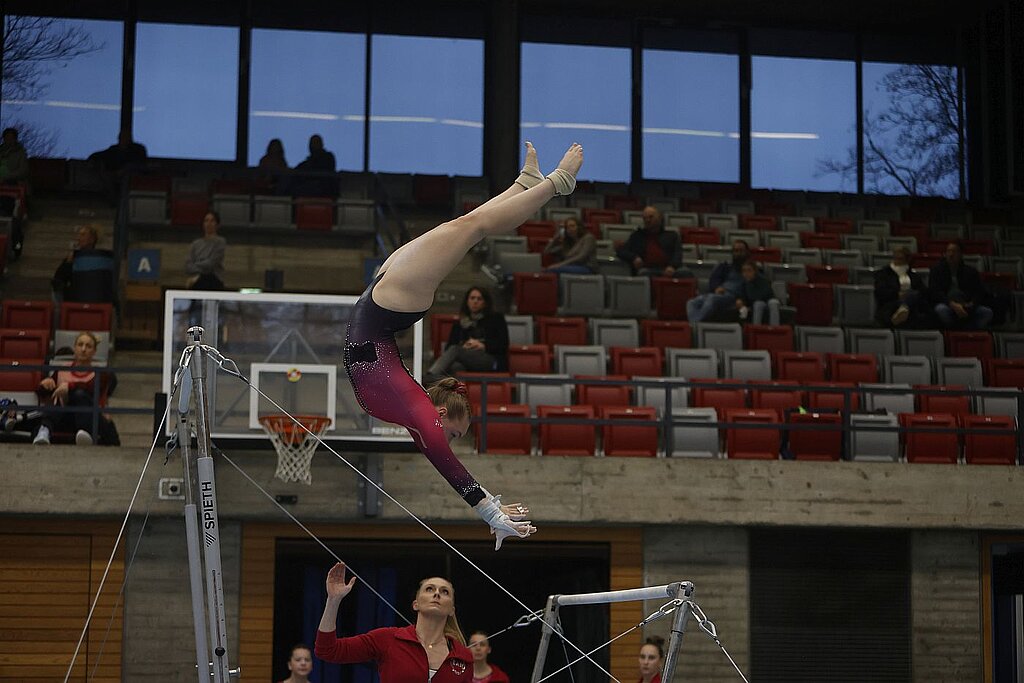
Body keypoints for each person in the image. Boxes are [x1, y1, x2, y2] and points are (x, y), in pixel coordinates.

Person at [344, 140, 581, 547]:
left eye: (453, 434)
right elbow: (445, 460)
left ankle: (550, 184)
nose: (447, 439)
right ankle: (532, 185)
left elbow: (447, 465)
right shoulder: (411, 410)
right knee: (465, 228)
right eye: (453, 433)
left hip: (386, 302)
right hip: (386, 305)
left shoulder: (422, 417)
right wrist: (492, 508)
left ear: (440, 413)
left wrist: (490, 511)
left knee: (468, 227)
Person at [315, 561, 473, 683]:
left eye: (445, 592)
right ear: (415, 604)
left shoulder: (463, 656)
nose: (437, 594)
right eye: (429, 589)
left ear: (452, 610)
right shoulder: (388, 639)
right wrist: (333, 600)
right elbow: (327, 650)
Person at [32, 331, 118, 446]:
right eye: (80, 344)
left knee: (79, 395)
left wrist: (69, 386)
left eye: (88, 346)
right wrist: (45, 384)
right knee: (59, 400)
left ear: (94, 351)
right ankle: (44, 431)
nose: (83, 349)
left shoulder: (101, 374)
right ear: (75, 348)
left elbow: (89, 388)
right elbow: (43, 393)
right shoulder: (62, 370)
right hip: (66, 418)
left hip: (91, 419)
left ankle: (86, 433)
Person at [424, 287, 509, 386]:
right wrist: (464, 347)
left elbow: (503, 344)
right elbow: (449, 347)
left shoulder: (496, 319)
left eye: (479, 299)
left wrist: (482, 345)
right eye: (472, 298)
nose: (475, 302)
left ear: (485, 302)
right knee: (456, 367)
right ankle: (454, 393)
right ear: (467, 301)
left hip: (490, 359)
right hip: (466, 359)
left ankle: (428, 379)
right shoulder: (460, 323)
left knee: (456, 350)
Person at [928, 241, 993, 329]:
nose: (951, 254)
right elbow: (935, 292)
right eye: (948, 251)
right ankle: (956, 330)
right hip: (946, 304)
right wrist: (952, 304)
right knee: (941, 310)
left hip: (966, 304)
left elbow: (979, 291)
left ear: (961, 254)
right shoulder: (937, 270)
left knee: (987, 313)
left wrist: (972, 304)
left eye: (954, 251)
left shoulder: (971, 271)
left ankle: (969, 330)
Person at [685, 240, 751, 322]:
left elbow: (750, 289)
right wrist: (717, 287)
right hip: (719, 294)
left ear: (746, 252)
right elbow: (714, 279)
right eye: (736, 251)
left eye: (741, 251)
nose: (738, 254)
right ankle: (694, 324)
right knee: (691, 302)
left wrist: (742, 299)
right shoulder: (725, 267)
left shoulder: (750, 270)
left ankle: (695, 324)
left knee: (711, 298)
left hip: (733, 297)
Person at [616, 206, 684, 277]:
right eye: (645, 218)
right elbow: (622, 251)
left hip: (668, 268)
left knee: (684, 273)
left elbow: (678, 254)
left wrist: (672, 266)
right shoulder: (637, 236)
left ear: (660, 218)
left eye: (651, 217)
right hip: (647, 269)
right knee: (644, 273)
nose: (647, 220)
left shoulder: (672, 236)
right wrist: (634, 257)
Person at [874, 246, 927, 328]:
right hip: (892, 302)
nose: (897, 261)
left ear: (907, 260)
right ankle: (902, 310)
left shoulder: (913, 275)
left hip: (912, 303)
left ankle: (904, 308)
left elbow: (922, 291)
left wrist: (908, 296)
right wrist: (897, 294)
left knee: (913, 296)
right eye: (896, 258)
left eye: (900, 259)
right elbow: (880, 292)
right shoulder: (884, 274)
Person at [185, 211, 227, 290]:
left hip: (214, 280)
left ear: (217, 224)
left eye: (212, 221)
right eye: (206, 221)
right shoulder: (195, 243)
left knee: (208, 277)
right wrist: (199, 273)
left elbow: (211, 263)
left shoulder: (220, 242)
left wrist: (196, 265)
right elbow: (188, 266)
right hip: (196, 280)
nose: (209, 224)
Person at [736, 258, 780, 325]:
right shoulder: (743, 282)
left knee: (773, 303)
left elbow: (763, 295)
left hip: (769, 300)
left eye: (749, 270)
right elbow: (742, 296)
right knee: (758, 304)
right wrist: (740, 302)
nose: (746, 273)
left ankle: (775, 328)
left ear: (755, 271)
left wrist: (748, 304)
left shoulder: (763, 280)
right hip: (757, 303)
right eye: (744, 271)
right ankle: (756, 328)